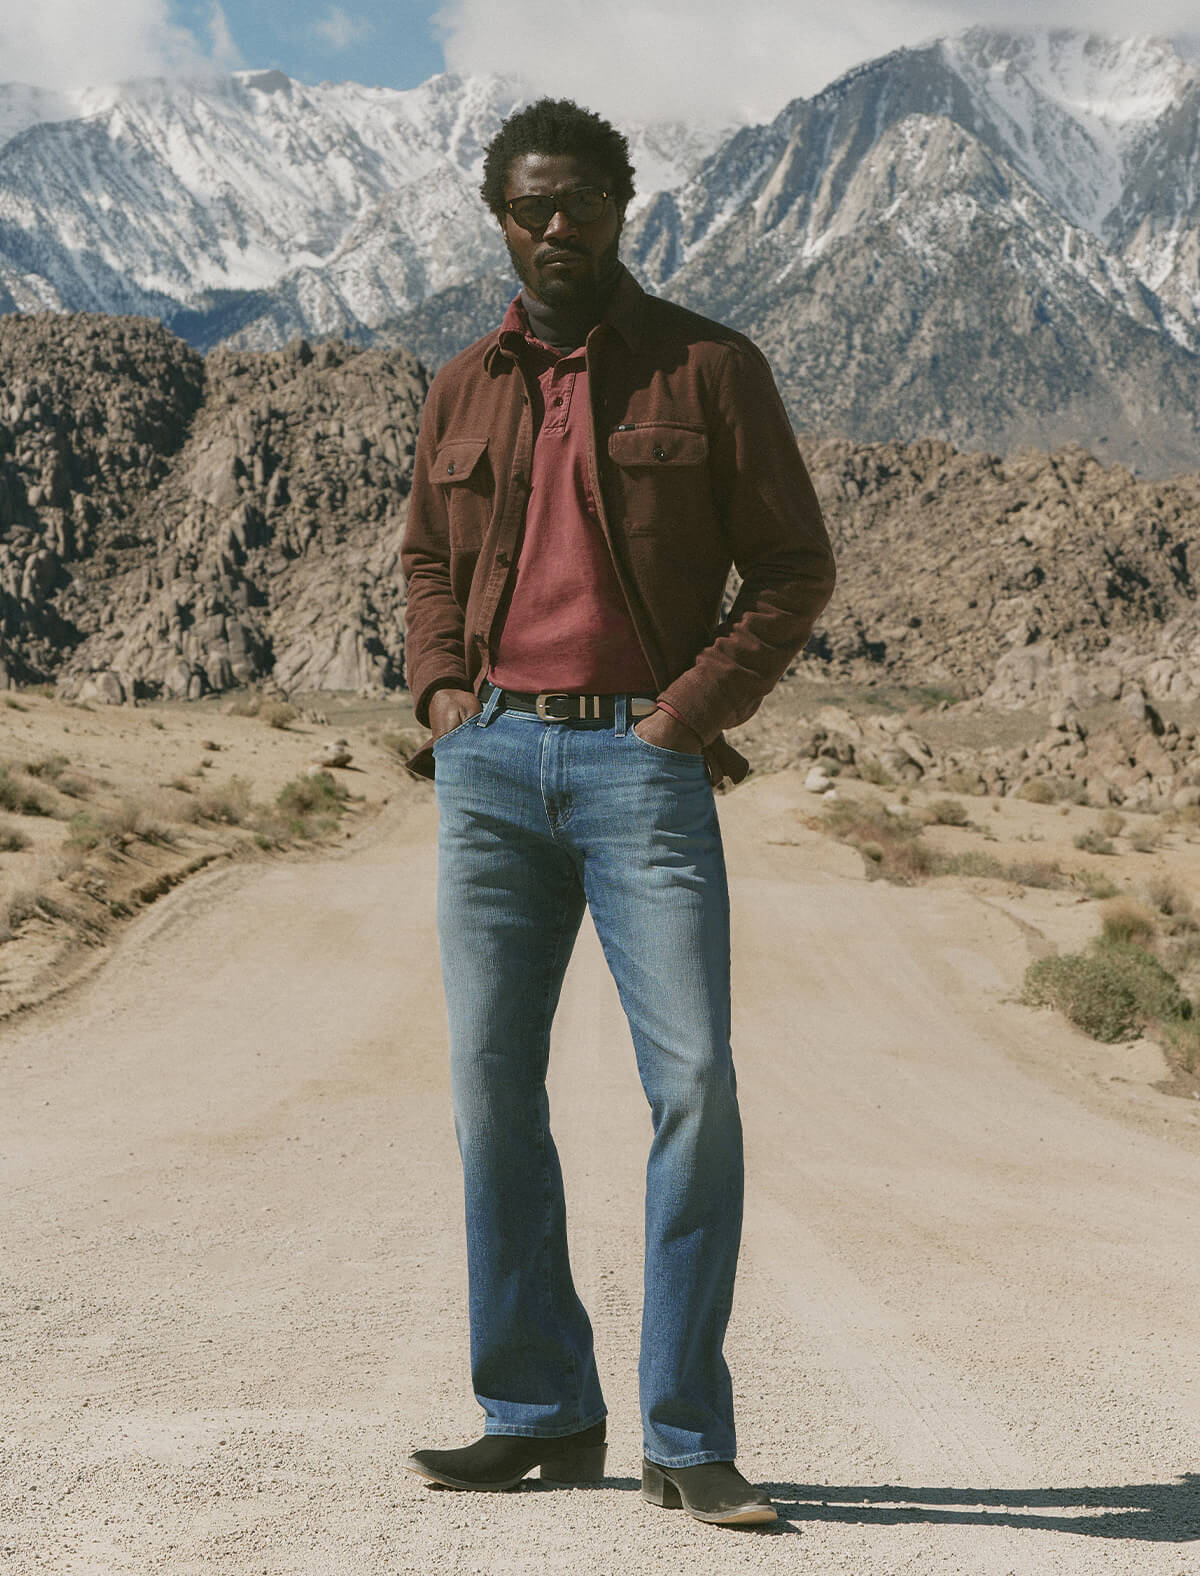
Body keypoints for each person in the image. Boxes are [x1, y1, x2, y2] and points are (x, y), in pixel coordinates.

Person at [400, 97, 835, 1528]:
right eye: (529, 206)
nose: (555, 227)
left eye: (579, 201)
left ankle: (685, 1434)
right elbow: (420, 561)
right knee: (488, 1096)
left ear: (621, 204)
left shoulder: (711, 367)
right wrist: (447, 701)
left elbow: (791, 568)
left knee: (694, 1087)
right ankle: (536, 1410)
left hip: (641, 770)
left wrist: (680, 722)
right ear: (497, 217)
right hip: (493, 769)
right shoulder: (463, 383)